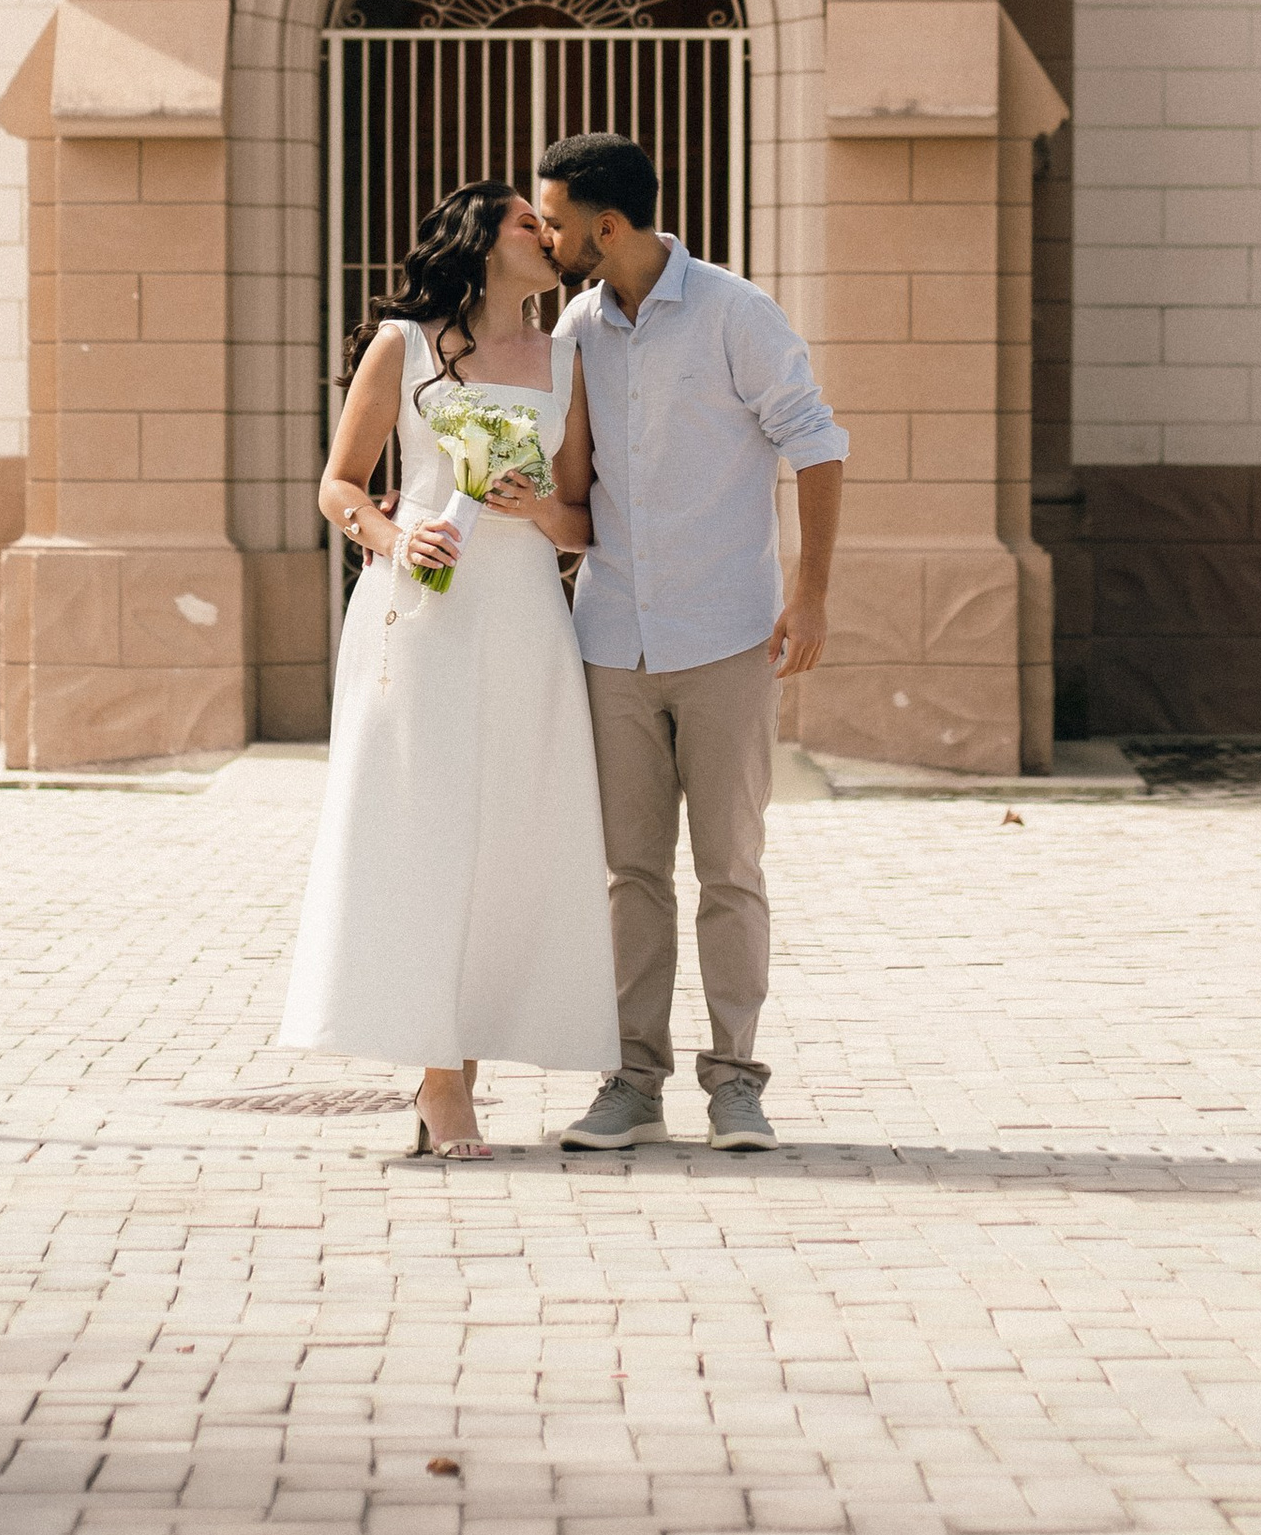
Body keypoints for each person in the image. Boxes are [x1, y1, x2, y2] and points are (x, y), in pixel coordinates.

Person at [278, 180, 619, 1160]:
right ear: (478, 240)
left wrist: (536, 514)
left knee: (512, 836)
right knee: (424, 831)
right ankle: (441, 1086)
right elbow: (337, 484)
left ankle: (462, 1062)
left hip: (522, 615)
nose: (546, 237)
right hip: (419, 616)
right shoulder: (404, 344)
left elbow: (582, 515)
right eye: (527, 222)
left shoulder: (567, 362)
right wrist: (391, 534)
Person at [534, 134, 847, 1156]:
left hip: (724, 636)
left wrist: (810, 597)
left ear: (606, 226)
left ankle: (736, 1081)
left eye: (556, 220)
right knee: (628, 874)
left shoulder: (734, 314)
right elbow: (577, 489)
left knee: (728, 868)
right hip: (611, 638)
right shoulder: (577, 325)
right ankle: (631, 1080)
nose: (546, 236)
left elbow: (817, 442)